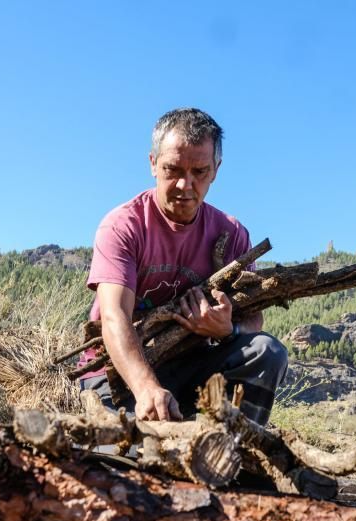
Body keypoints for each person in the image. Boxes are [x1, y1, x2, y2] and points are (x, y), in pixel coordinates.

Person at [79, 108, 287, 425]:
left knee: (267, 351)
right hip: (116, 372)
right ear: (152, 163)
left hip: (191, 366)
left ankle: (238, 452)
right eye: (172, 169)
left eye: (199, 172)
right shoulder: (123, 226)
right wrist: (146, 388)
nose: (184, 185)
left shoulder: (232, 235)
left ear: (216, 169)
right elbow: (114, 315)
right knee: (131, 457)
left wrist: (228, 331)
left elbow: (253, 318)